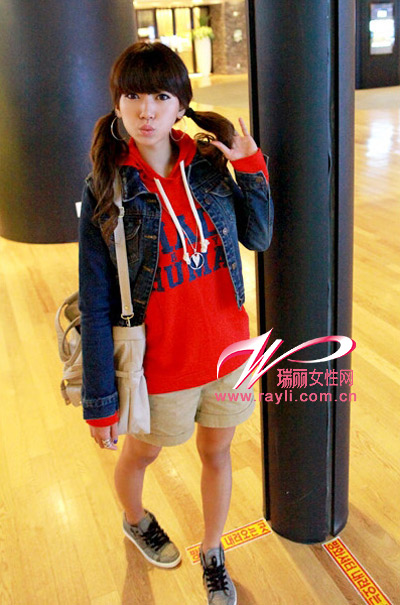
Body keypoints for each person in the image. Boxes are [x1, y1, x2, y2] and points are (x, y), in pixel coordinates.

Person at [79, 41, 273, 605]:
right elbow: (96, 301)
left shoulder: (208, 167)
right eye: (133, 96)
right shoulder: (106, 185)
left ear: (180, 104)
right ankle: (135, 519)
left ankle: (213, 551)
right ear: (117, 104)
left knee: (218, 454)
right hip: (159, 366)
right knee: (141, 453)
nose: (146, 110)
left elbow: (258, 237)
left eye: (161, 96)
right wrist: (100, 402)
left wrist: (250, 166)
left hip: (228, 353)